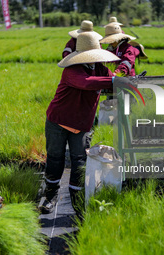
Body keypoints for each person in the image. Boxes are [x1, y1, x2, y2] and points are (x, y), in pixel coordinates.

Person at [42, 32, 135, 216]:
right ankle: (50, 197)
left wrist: (128, 82)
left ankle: (77, 202)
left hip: (81, 124)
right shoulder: (72, 70)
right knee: (55, 159)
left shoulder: (99, 68)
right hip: (58, 121)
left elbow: (110, 82)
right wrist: (115, 80)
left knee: (80, 163)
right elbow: (85, 83)